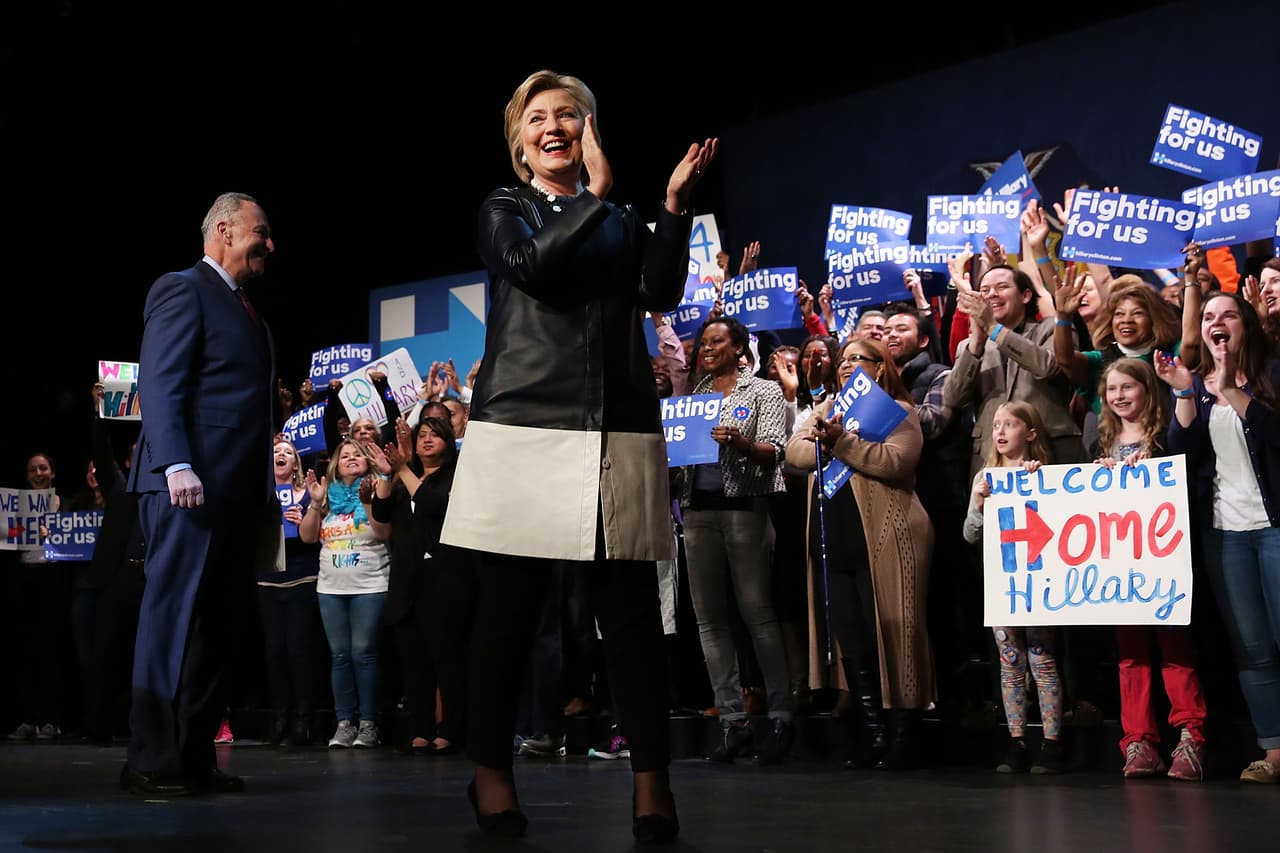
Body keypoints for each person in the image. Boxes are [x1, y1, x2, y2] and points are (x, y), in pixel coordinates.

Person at [438, 69, 715, 842]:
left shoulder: (621, 217)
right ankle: (491, 772)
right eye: (539, 118)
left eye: (570, 115)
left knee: (628, 619)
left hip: (615, 427)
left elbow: (658, 291)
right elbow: (529, 267)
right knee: (509, 619)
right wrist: (594, 197)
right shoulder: (507, 206)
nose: (554, 126)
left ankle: (652, 783)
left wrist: (670, 209)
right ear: (520, 140)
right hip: (524, 425)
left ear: (590, 129)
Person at [120, 192, 277, 796]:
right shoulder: (183, 287)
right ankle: (149, 759)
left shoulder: (248, 311)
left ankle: (191, 753)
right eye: (261, 232)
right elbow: (159, 382)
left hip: (234, 497)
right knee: (173, 617)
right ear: (224, 229)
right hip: (185, 487)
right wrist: (177, 462)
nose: (269, 244)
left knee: (217, 627)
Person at [785, 336, 936, 770]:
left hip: (889, 536)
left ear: (881, 366)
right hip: (836, 539)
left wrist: (840, 443)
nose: (847, 365)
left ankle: (904, 736)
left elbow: (896, 462)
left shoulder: (898, 410)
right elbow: (795, 452)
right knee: (853, 640)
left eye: (859, 358)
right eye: (843, 359)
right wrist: (827, 434)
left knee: (896, 635)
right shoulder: (827, 409)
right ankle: (873, 734)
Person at [1157, 291, 1280, 784]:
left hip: (1274, 527)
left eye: (1228, 314)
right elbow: (1181, 448)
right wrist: (1186, 392)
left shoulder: (1271, 373)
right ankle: (1274, 753)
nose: (1217, 322)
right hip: (1226, 533)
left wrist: (1233, 387)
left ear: (1244, 324)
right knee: (1252, 648)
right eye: (1208, 316)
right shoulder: (1199, 385)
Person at [679, 316, 792, 764]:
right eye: (704, 342)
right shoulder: (694, 397)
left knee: (757, 613)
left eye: (717, 341)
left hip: (744, 507)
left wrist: (743, 444)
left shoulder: (761, 390)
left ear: (739, 348)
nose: (707, 348)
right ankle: (732, 721)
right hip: (697, 511)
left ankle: (781, 713)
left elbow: (776, 452)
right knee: (709, 620)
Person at [1091, 358, 1208, 780]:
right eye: (1112, 390)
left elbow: (1186, 447)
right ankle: (1139, 741)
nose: (1119, 396)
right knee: (1131, 654)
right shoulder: (1101, 439)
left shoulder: (1164, 436)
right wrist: (1099, 478)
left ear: (1145, 389)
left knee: (1176, 650)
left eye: (1128, 387)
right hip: (1120, 567)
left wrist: (1181, 390)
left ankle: (1190, 737)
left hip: (1166, 562)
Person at [962, 401, 1065, 774]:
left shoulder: (1043, 474)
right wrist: (978, 504)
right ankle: (1016, 742)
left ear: (1031, 433)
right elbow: (970, 534)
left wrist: (1040, 479)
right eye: (996, 425)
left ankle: (1052, 743)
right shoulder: (985, 478)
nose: (1001, 432)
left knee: (1042, 657)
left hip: (1036, 582)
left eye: (1010, 425)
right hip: (1003, 584)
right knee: (1010, 664)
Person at [299, 438, 393, 750]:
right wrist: (314, 502)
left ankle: (368, 723)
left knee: (363, 654)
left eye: (357, 455)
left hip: (371, 584)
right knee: (339, 657)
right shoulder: (326, 495)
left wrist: (367, 500)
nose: (351, 458)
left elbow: (383, 532)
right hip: (330, 588)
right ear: (336, 464)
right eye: (345, 456)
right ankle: (344, 723)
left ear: (367, 461)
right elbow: (308, 536)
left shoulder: (379, 486)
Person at [257, 437, 323, 747]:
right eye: (276, 453)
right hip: (268, 582)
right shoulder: (260, 497)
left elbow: (311, 538)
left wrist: (304, 517)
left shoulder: (306, 495)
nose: (281, 455)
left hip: (301, 579)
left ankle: (303, 719)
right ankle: (279, 715)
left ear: (295, 463)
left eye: (287, 452)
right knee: (275, 653)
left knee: (298, 651)